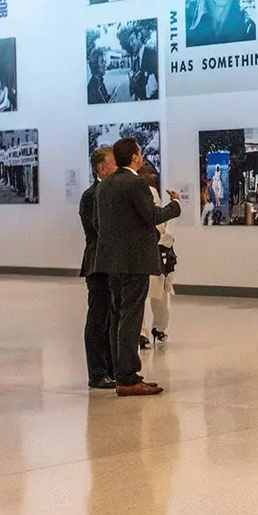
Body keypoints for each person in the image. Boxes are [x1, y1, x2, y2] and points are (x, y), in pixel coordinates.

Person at [94, 138, 181, 396]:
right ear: (134, 158)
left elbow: (99, 224)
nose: (142, 156)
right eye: (140, 153)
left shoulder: (105, 186)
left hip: (112, 261)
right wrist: (175, 206)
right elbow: (152, 216)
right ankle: (128, 377)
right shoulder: (136, 184)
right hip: (134, 262)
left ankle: (121, 372)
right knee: (131, 318)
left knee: (119, 316)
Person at [79, 146, 118, 389]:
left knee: (111, 318)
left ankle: (111, 368)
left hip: (112, 263)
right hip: (98, 264)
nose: (117, 167)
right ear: (101, 168)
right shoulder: (91, 196)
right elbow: (96, 230)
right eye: (114, 163)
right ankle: (97, 372)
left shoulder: (109, 192)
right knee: (98, 318)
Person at [138, 163, 175, 349]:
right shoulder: (139, 192)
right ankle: (142, 332)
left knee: (160, 293)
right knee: (141, 294)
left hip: (158, 249)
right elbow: (155, 218)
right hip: (145, 248)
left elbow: (160, 218)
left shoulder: (152, 191)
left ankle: (158, 328)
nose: (154, 175)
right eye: (150, 173)